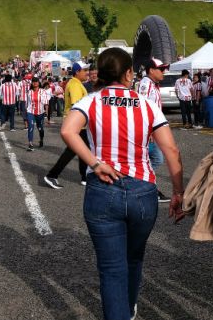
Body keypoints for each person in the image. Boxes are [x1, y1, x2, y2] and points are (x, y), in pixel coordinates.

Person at [62, 48, 184, 320]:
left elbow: (68, 130)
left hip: (103, 187)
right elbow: (172, 152)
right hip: (142, 189)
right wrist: (178, 192)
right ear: (129, 73)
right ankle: (128, 308)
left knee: (111, 268)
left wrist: (94, 163)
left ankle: (121, 312)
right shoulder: (147, 104)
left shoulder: (92, 100)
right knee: (134, 256)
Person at [43, 62, 89, 189]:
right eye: (84, 70)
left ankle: (84, 176)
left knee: (84, 149)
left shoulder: (77, 83)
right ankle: (52, 175)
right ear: (77, 72)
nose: (87, 72)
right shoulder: (75, 85)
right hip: (76, 123)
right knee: (72, 151)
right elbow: (77, 105)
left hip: (79, 124)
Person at [137, 58, 171, 203]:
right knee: (156, 159)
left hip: (153, 129)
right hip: (150, 130)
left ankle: (146, 187)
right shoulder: (146, 84)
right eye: (161, 69)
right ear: (151, 70)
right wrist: (148, 130)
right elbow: (142, 108)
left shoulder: (152, 84)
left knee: (151, 160)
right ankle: (145, 187)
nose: (164, 72)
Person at [25, 79, 48, 151]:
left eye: (36, 81)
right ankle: (30, 144)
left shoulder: (43, 91)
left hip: (40, 112)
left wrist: (46, 112)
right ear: (32, 83)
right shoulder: (29, 92)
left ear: (39, 83)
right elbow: (27, 102)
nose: (35, 83)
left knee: (40, 128)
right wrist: (26, 111)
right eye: (33, 82)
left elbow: (46, 103)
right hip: (30, 111)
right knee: (30, 127)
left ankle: (41, 139)